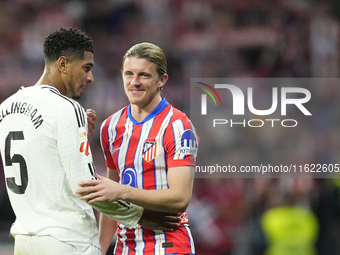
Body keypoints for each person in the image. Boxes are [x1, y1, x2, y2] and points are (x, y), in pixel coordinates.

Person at [0, 28, 178, 255]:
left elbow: (42, 159)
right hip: (68, 241)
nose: (91, 78)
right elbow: (85, 185)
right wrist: (141, 216)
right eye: (86, 68)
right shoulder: (67, 108)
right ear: (63, 64)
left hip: (25, 239)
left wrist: (76, 135)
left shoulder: (7, 107)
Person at [77, 42, 199, 254]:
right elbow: (109, 200)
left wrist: (121, 191)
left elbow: (180, 198)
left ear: (162, 80)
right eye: (128, 74)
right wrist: (99, 249)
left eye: (144, 75)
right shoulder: (111, 127)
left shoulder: (178, 126)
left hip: (168, 243)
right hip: (126, 246)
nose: (134, 82)